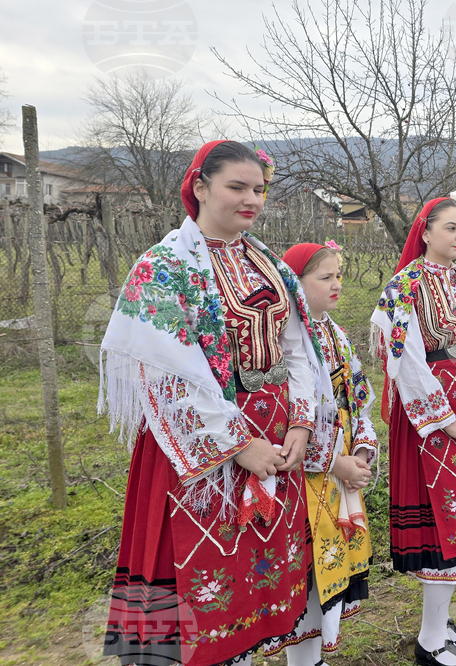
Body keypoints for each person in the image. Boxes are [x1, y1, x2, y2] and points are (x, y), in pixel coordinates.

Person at [99, 141, 337, 666]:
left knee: (260, 568)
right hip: (202, 450)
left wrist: (301, 422)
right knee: (207, 581)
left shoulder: (268, 263)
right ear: (200, 187)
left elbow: (299, 347)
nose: (251, 199)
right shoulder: (162, 268)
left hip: (277, 438)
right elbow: (164, 374)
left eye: (259, 189)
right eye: (237, 187)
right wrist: (238, 444)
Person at [370, 193, 456, 666]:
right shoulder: (403, 287)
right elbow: (404, 360)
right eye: (449, 228)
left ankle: (440, 620)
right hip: (433, 420)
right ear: (425, 232)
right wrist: (447, 421)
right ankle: (429, 641)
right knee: (446, 526)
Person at [261, 240, 378, 660]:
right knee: (306, 575)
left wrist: (361, 450)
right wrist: (333, 463)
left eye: (339, 276)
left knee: (326, 573)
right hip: (304, 480)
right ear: (295, 283)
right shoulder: (282, 342)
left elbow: (357, 396)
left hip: (341, 467)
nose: (337, 285)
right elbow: (287, 417)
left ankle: (312, 659)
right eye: (325, 277)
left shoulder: (335, 332)